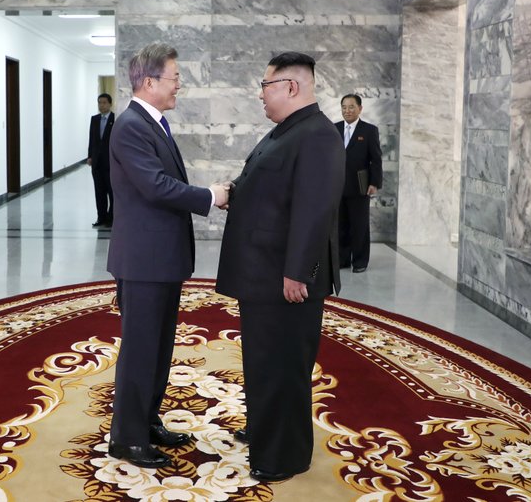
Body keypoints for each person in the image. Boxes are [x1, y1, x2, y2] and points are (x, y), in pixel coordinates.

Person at [216, 52, 345, 482]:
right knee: (263, 361)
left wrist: (298, 272)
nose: (260, 94)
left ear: (292, 86)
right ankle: (264, 430)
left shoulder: (317, 135)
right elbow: (273, 189)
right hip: (263, 274)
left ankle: (283, 455)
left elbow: (314, 211)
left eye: (265, 85)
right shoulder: (288, 131)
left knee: (284, 366)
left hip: (285, 280)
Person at [106, 43, 230, 468]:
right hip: (143, 262)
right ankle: (126, 437)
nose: (180, 85)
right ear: (149, 82)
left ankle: (147, 420)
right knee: (141, 350)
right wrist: (209, 196)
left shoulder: (152, 123)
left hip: (159, 258)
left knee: (159, 348)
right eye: (175, 77)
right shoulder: (130, 126)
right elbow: (156, 186)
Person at [335, 94, 383, 273]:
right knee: (340, 224)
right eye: (344, 107)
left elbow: (376, 159)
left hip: (360, 186)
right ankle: (342, 259)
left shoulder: (369, 130)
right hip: (337, 186)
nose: (347, 110)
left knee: (359, 225)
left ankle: (360, 261)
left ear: (360, 108)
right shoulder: (334, 129)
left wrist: (374, 182)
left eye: (351, 107)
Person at [88, 93, 115, 228]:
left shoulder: (115, 119)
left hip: (110, 163)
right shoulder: (95, 119)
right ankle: (101, 217)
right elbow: (92, 140)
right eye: (99, 102)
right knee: (99, 192)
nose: (101, 105)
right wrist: (90, 156)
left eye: (104, 102)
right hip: (97, 163)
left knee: (112, 192)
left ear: (110, 104)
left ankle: (111, 218)